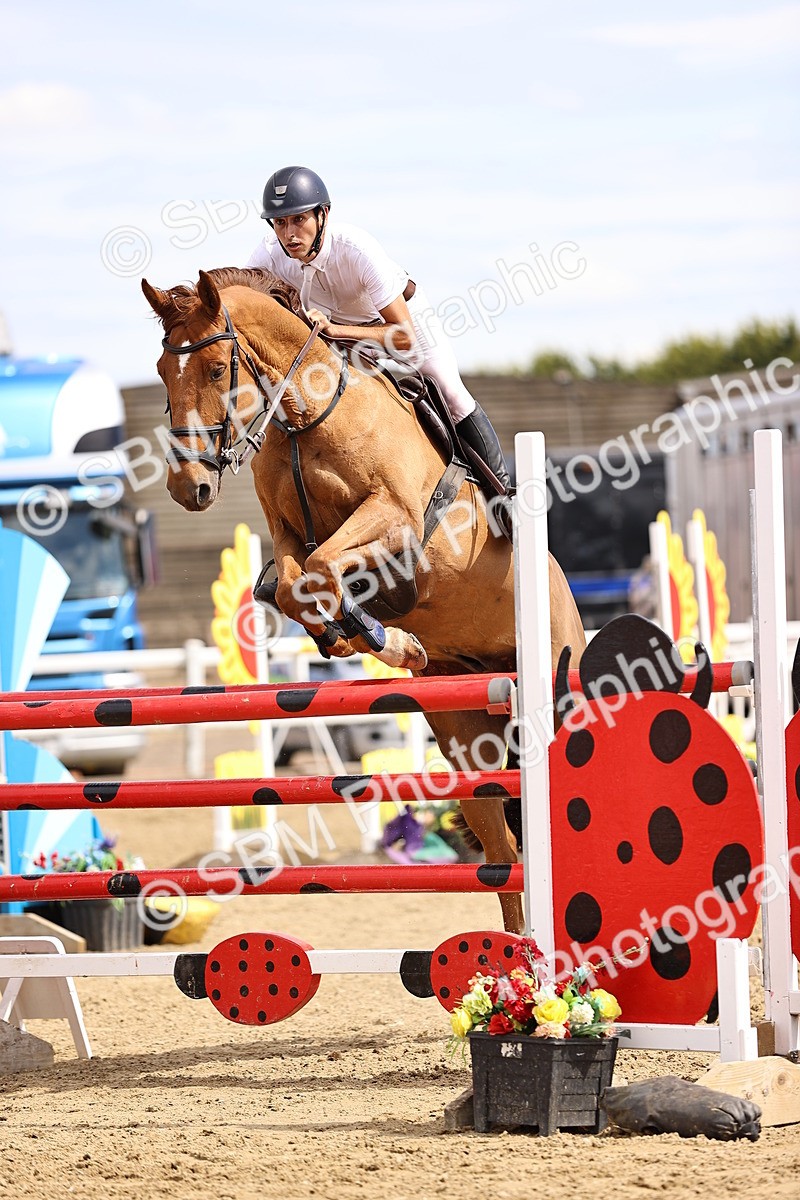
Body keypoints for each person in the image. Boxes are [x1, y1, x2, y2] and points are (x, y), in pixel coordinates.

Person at [245, 165, 511, 533]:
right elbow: (241, 303)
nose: (289, 234)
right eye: (279, 223)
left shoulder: (356, 248)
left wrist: (334, 329)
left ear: (323, 215)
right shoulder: (268, 255)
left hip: (402, 325)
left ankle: (503, 498)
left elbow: (402, 335)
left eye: (298, 220)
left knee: (451, 393)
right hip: (344, 341)